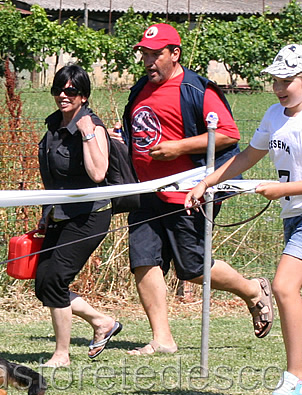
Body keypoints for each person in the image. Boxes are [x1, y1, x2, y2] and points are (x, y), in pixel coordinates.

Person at [186, 44, 302, 395]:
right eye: (275, 79)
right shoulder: (274, 114)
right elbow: (248, 156)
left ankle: (296, 379)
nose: (278, 86)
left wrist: (282, 190)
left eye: (286, 80)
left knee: (283, 285)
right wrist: (206, 183)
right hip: (295, 215)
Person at [112, 23, 274, 356]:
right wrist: (122, 138)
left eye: (156, 54)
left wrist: (178, 148)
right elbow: (141, 132)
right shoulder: (140, 88)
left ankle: (253, 290)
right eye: (144, 54)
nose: (148, 61)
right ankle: (163, 339)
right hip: (147, 191)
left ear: (175, 53)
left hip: (189, 192)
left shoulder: (197, 89)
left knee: (194, 268)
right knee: (143, 260)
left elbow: (229, 134)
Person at [35, 64, 122, 367]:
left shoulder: (92, 126)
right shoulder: (53, 125)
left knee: (57, 279)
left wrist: (87, 135)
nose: (63, 95)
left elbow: (98, 173)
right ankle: (102, 322)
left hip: (89, 216)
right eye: (58, 89)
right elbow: (52, 176)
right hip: (60, 214)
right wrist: (47, 211)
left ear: (83, 95)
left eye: (71, 90)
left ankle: (62, 353)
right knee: (44, 283)